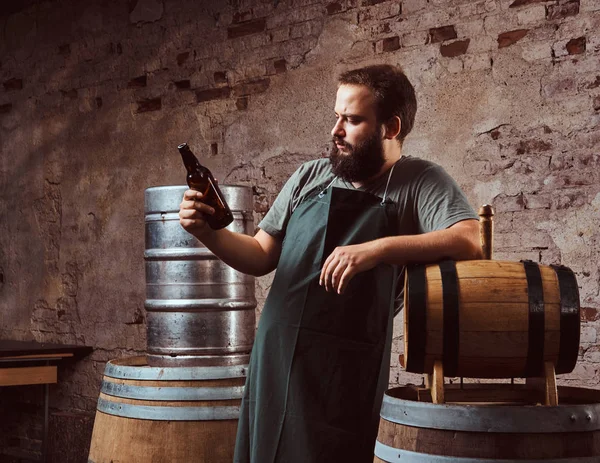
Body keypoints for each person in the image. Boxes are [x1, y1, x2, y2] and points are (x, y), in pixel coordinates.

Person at [179, 64, 482, 463]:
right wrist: (206, 232)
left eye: (353, 120)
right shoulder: (310, 176)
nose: (336, 130)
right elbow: (260, 255)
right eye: (336, 117)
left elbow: (469, 239)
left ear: (390, 128)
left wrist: (377, 248)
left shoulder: (420, 180)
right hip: (278, 351)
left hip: (345, 366)